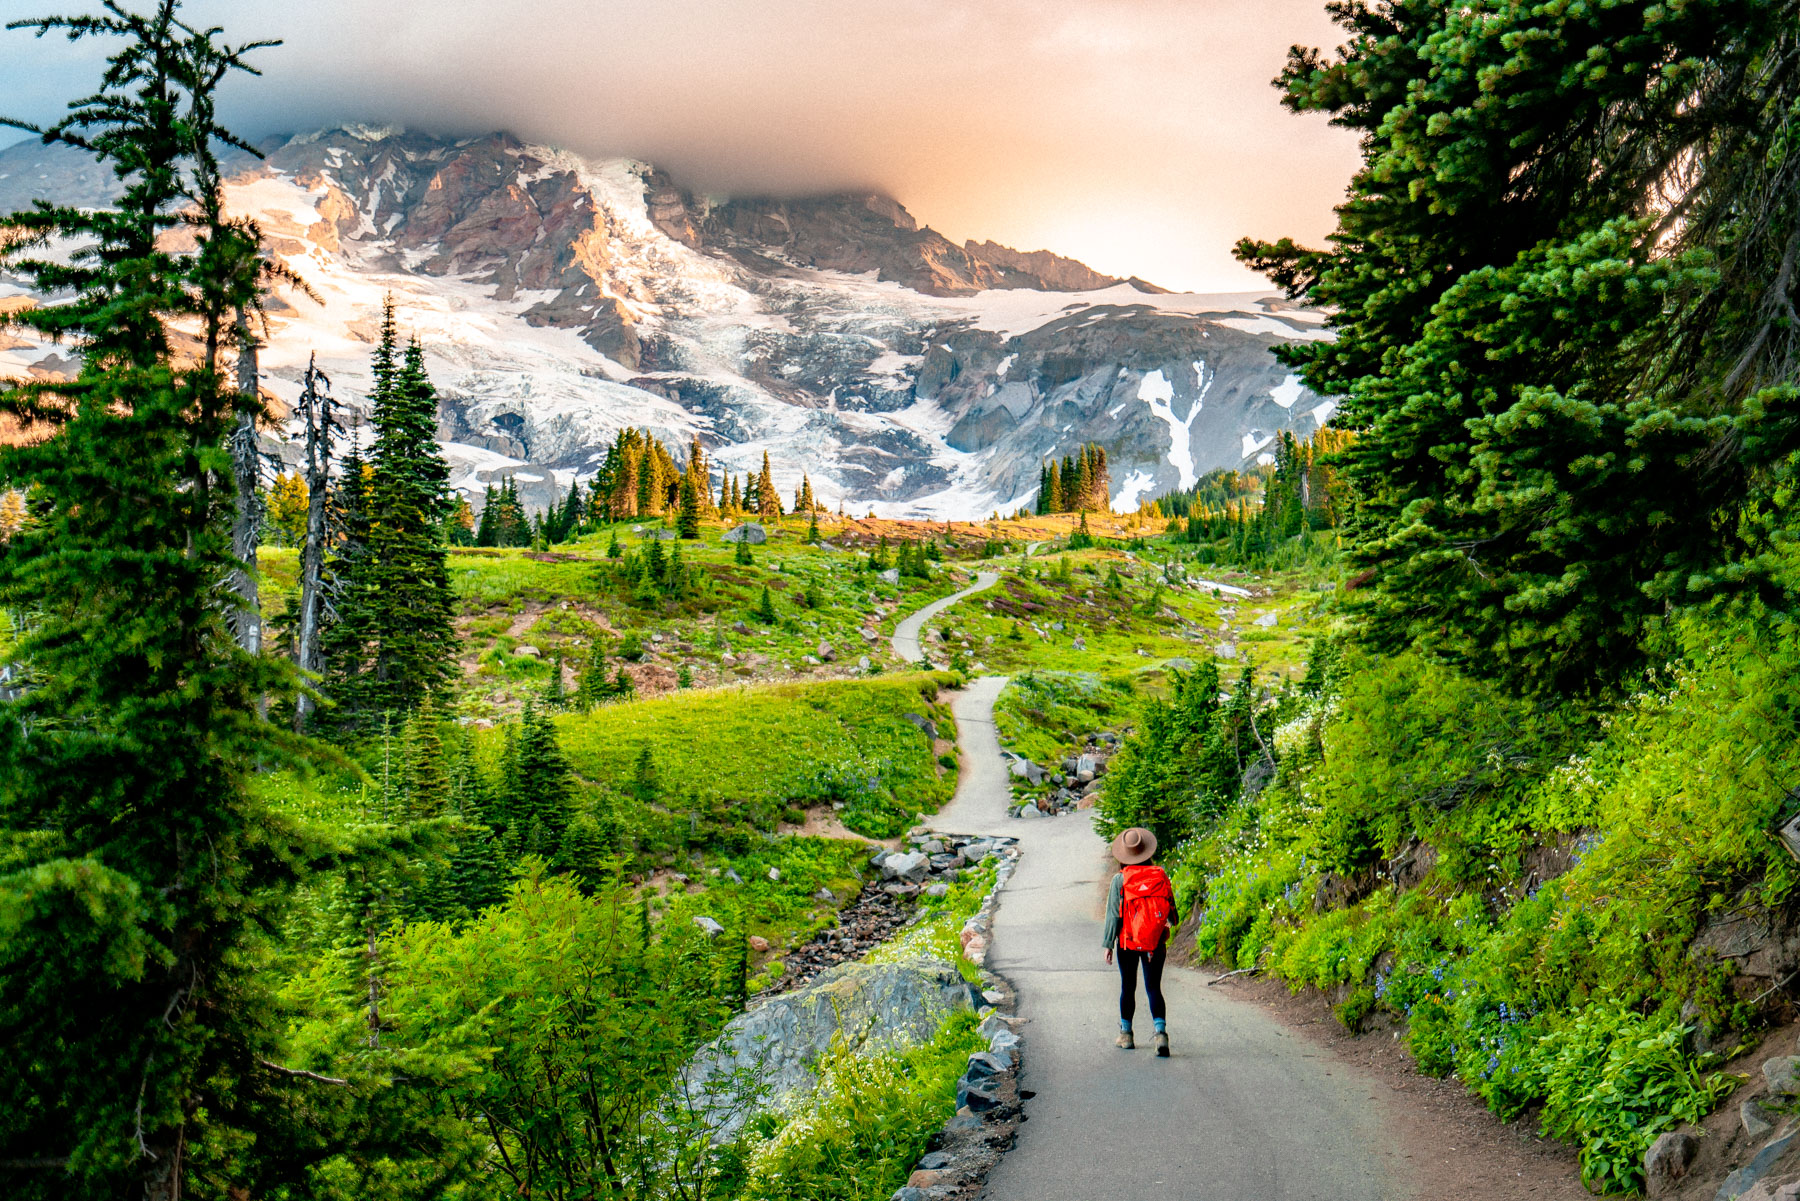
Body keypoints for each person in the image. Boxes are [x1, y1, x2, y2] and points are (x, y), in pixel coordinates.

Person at [1102, 826, 1178, 1056]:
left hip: (1127, 942)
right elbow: (1173, 914)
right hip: (1154, 942)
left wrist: (1108, 944)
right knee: (1154, 987)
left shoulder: (1119, 880)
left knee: (1128, 986)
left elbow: (1114, 915)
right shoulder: (1160, 875)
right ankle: (1161, 1034)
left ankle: (1126, 1035)